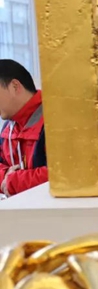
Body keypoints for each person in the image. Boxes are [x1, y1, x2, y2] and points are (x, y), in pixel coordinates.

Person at [0, 59, 48, 197]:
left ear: (15, 86)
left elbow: (64, 175)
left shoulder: (56, 122)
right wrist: (6, 177)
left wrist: (13, 182)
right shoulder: (8, 127)